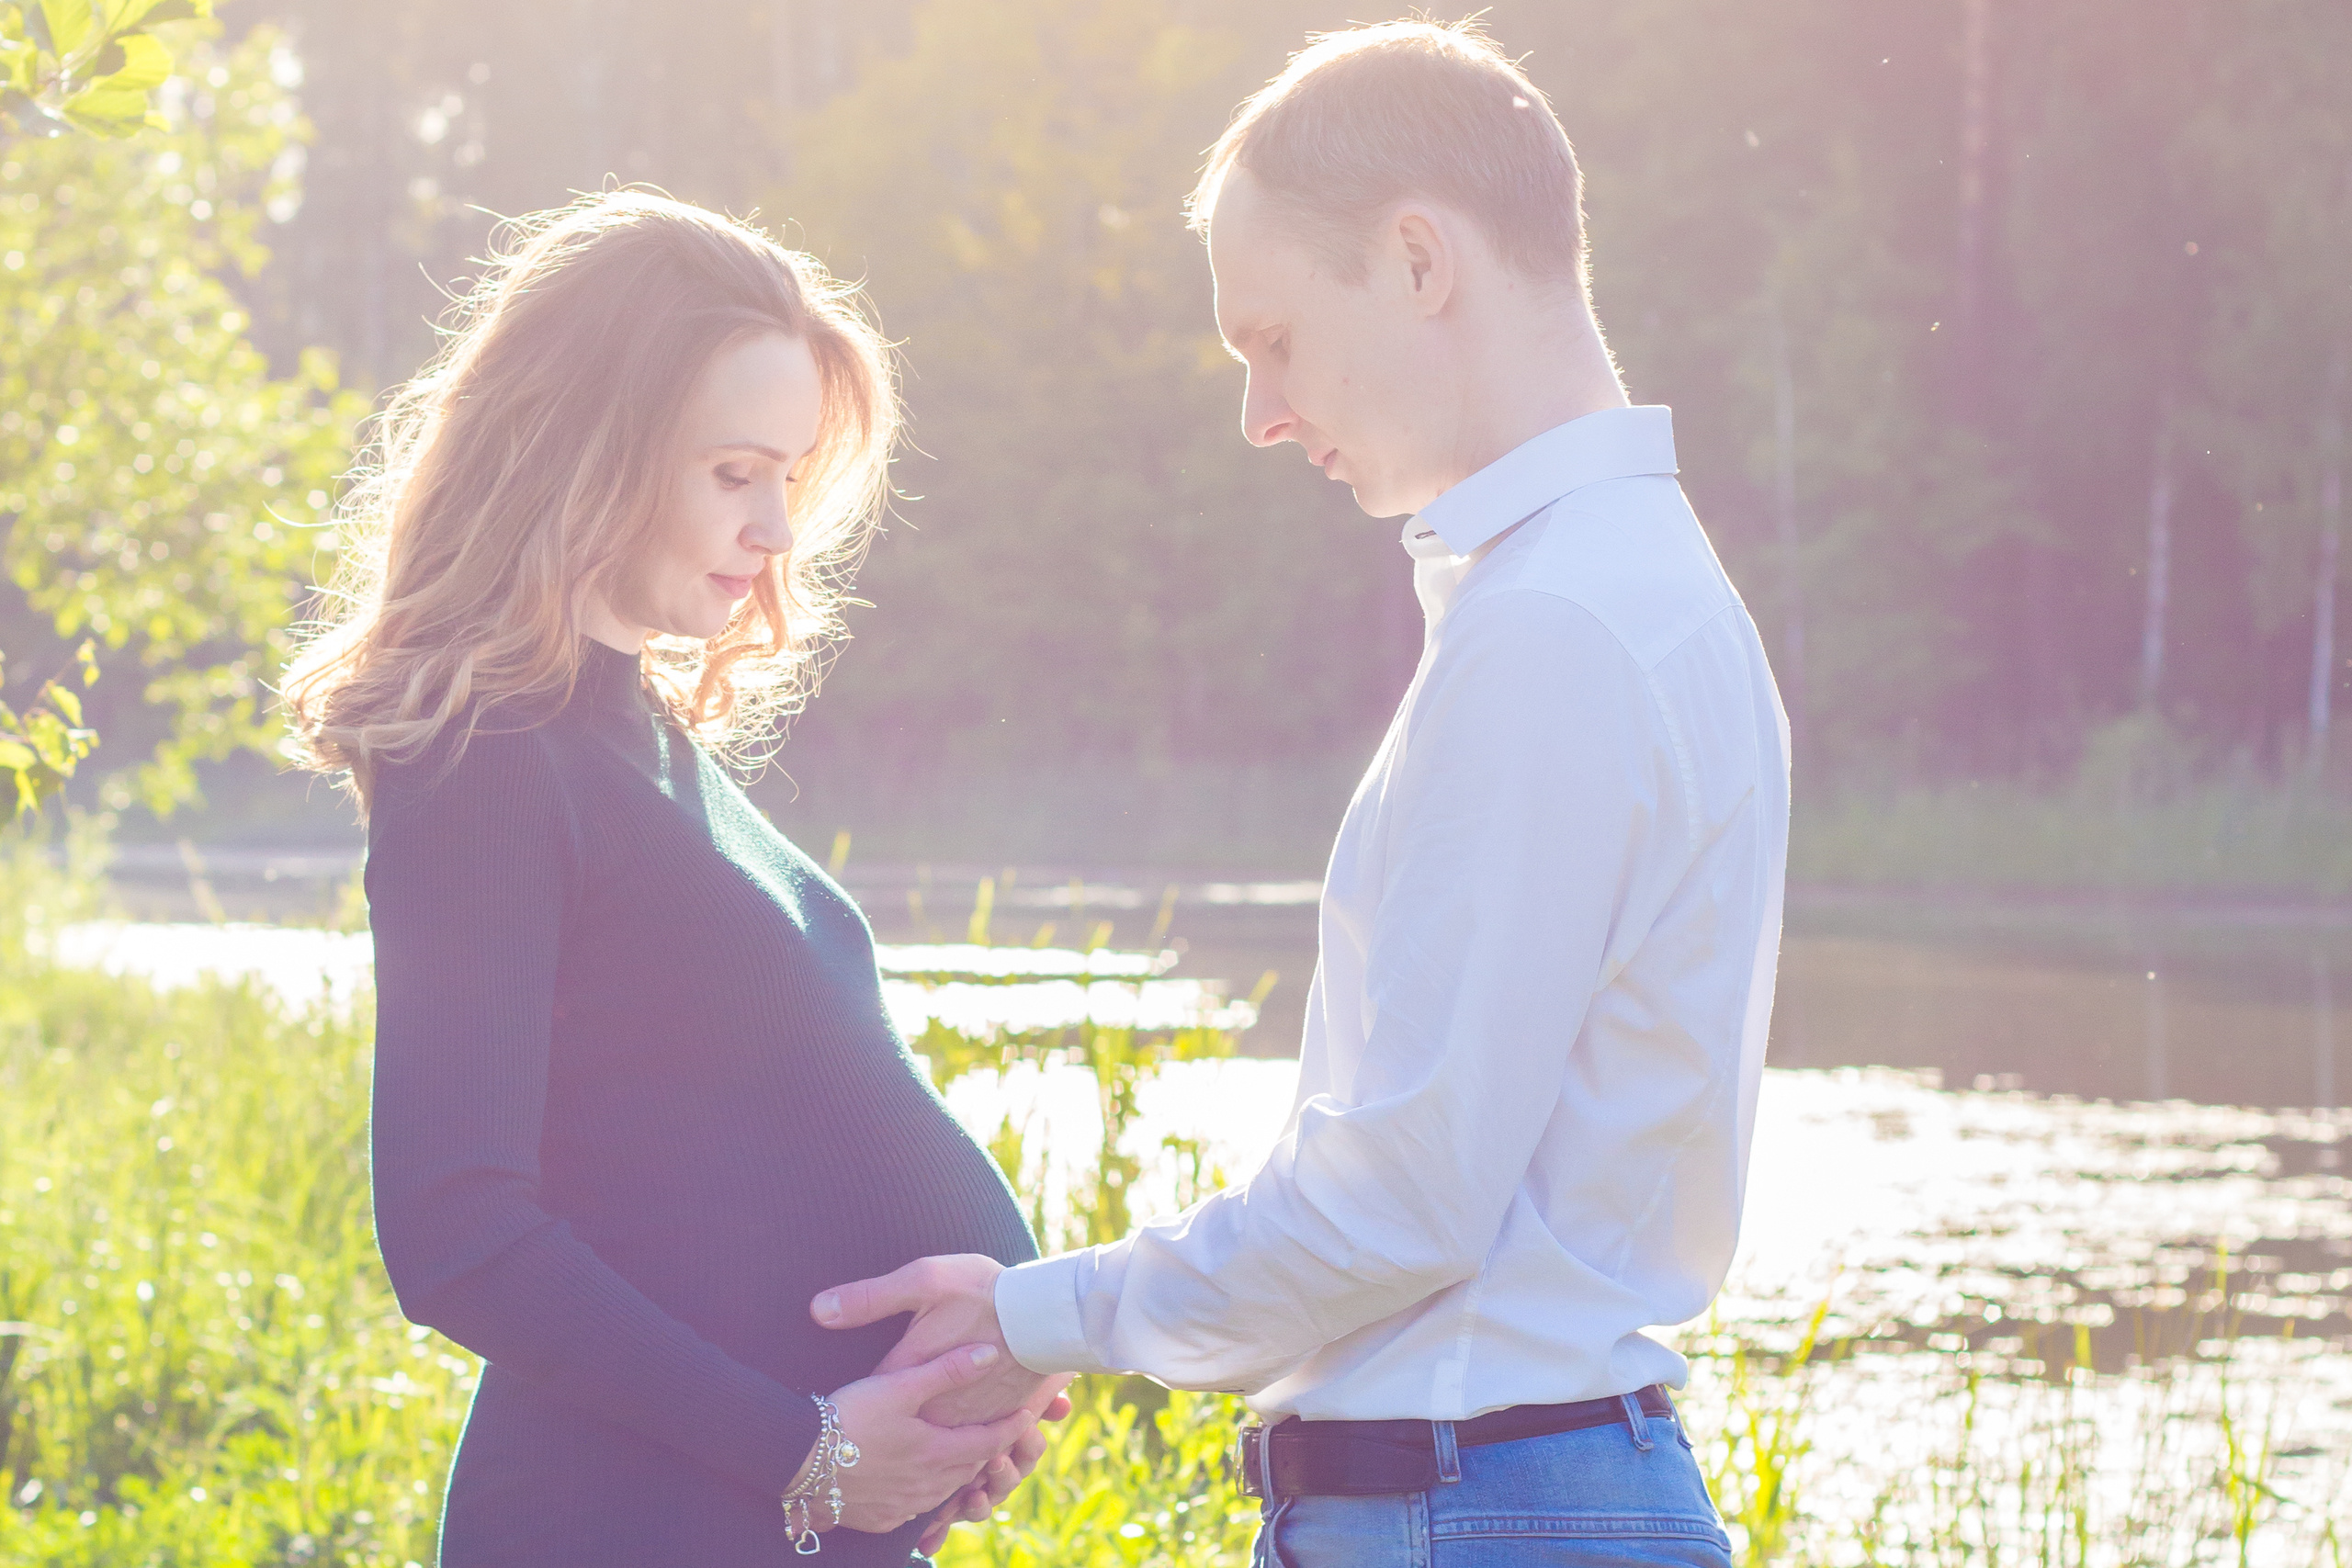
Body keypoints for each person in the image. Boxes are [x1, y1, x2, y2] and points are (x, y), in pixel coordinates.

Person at [808, 20, 1792, 1568]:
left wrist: (1035, 1317)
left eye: (1272, 340)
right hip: (1508, 1502)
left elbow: (1403, 1199)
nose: (1261, 414)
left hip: (1473, 1514)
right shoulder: (1630, 590)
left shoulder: (1555, 628)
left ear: (1417, 261)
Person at [282, 190, 1067, 1566]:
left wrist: (959, 1395)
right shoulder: (489, 760)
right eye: (732, 473)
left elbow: (726, 1166)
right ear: (586, 453)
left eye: (790, 476)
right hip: (635, 1526)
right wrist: (809, 1452)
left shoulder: (641, 740)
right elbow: (454, 1229)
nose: (776, 528)